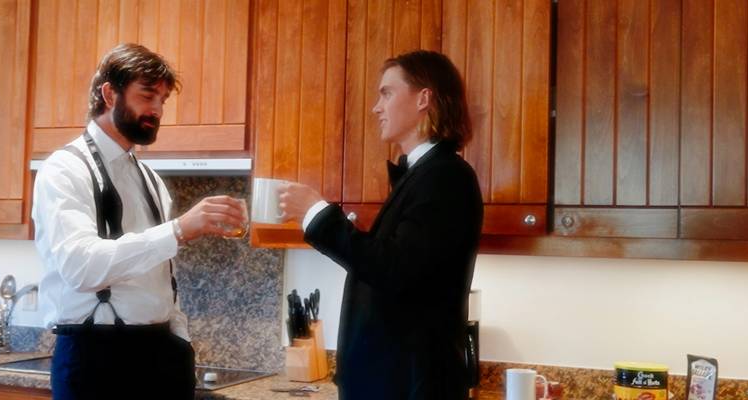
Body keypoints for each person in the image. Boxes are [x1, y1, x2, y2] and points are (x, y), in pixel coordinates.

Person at [32, 43, 247, 400]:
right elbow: (80, 266)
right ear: (109, 93)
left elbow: (163, 277)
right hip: (96, 362)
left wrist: (180, 339)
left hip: (161, 357)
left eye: (163, 100)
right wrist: (178, 230)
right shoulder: (64, 169)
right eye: (147, 96)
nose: (157, 110)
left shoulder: (149, 179)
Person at [278, 50, 484, 399]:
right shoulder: (425, 174)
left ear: (423, 98)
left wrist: (316, 214)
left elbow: (393, 268)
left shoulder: (446, 176)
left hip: (410, 387)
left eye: (387, 93)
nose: (376, 107)